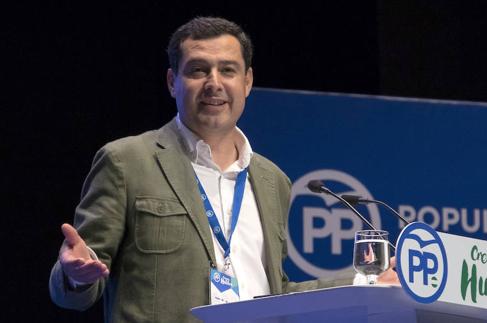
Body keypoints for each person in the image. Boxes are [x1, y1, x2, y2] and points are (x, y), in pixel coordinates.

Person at [49, 16, 399, 322]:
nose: (214, 82)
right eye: (198, 69)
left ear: (247, 82)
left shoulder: (272, 179)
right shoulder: (127, 161)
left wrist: (364, 283)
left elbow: (275, 289)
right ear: (173, 82)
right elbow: (76, 290)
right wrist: (75, 275)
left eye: (227, 70)